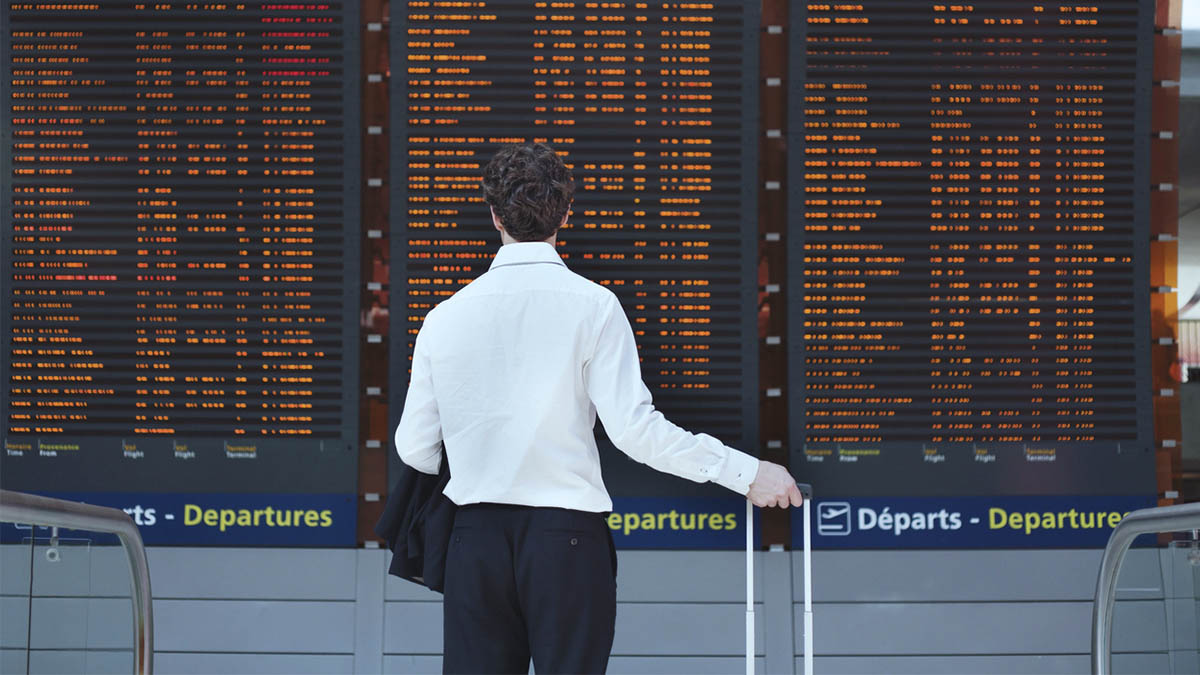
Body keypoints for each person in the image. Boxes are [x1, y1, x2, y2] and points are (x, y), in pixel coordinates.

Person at [393, 142, 804, 675]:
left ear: (494, 215)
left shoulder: (443, 318)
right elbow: (635, 432)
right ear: (566, 214)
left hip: (476, 543)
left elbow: (414, 449)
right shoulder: (594, 306)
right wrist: (746, 473)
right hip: (565, 541)